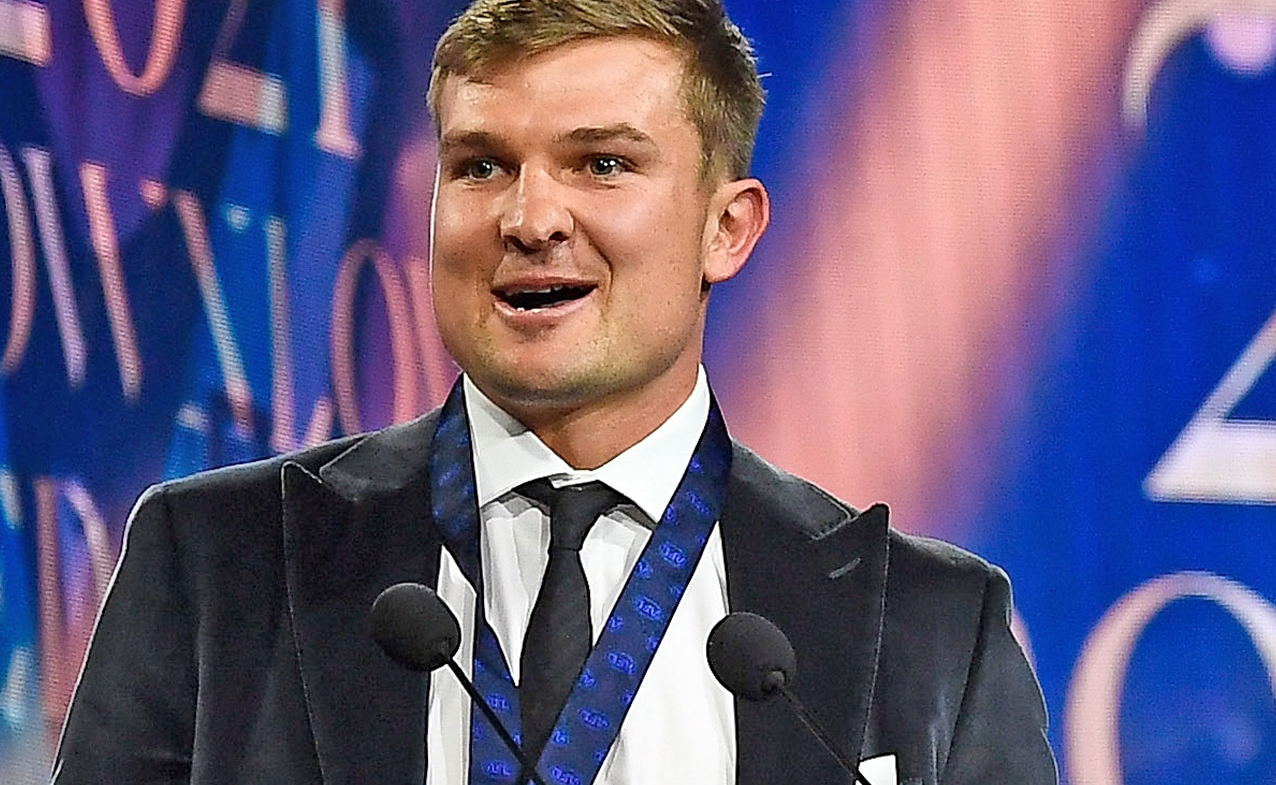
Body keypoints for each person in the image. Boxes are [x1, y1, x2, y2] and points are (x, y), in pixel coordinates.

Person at [52, 1, 1058, 783]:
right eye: (483, 165)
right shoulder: (221, 563)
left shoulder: (930, 628)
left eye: (602, 164)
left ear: (727, 228)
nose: (532, 218)